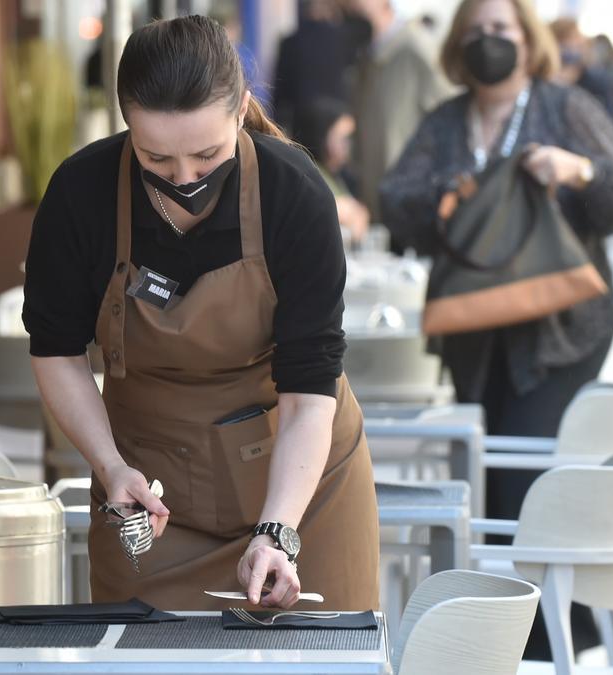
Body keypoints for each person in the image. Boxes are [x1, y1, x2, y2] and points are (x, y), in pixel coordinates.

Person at [22, 15, 379, 611]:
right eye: (156, 159)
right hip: (149, 491)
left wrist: (278, 532)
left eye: (207, 155)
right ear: (126, 125)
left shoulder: (293, 193)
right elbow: (56, 350)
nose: (184, 178)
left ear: (241, 109)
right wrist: (110, 468)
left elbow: (308, 389)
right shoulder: (80, 194)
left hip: (300, 480)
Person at [379, 0, 613, 657]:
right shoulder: (447, 123)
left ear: (527, 41)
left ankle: (544, 639)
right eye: (474, 32)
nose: (488, 42)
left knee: (517, 487)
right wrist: (447, 193)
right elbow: (395, 198)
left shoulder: (565, 109)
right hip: (476, 339)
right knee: (482, 480)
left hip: (563, 333)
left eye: (500, 30)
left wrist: (577, 169)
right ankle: (510, 641)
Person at [344, 0, 452, 235]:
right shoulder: (366, 56)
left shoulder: (416, 47)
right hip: (375, 208)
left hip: (412, 212)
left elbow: (452, 114)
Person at [290, 98, 370, 243]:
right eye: (342, 138)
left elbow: (360, 216)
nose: (348, 145)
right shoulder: (306, 175)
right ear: (321, 135)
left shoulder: (339, 176)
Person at [271, 0, 352, 133]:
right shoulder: (344, 39)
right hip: (337, 124)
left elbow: (280, 91)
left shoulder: (290, 42)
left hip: (302, 121)